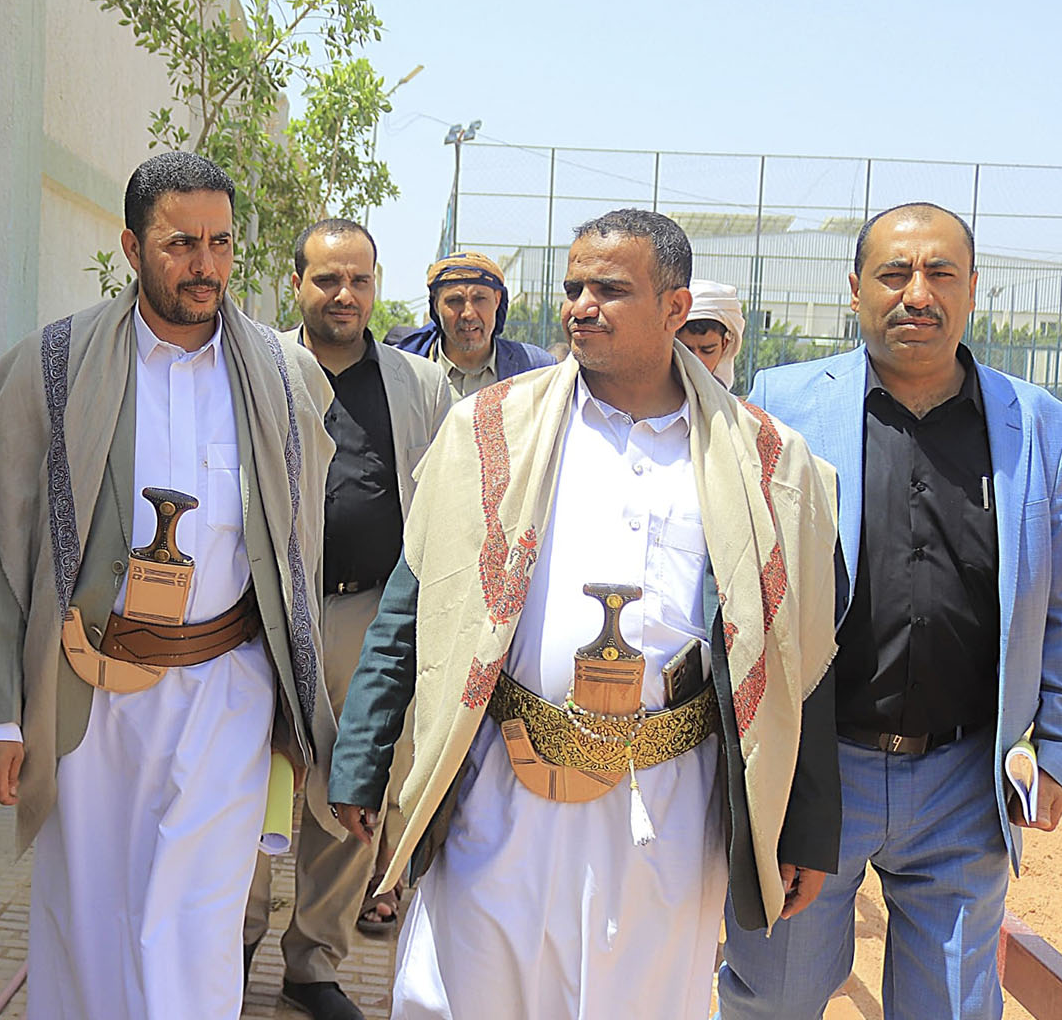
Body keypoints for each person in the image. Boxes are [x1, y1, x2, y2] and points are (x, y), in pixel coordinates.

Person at [329, 208, 843, 1019]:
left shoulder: (769, 465)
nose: (580, 306)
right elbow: (418, 599)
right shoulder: (492, 431)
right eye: (573, 288)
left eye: (610, 290)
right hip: (501, 792)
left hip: (668, 813)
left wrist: (806, 825)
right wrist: (363, 758)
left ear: (675, 308)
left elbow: (798, 656)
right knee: (461, 995)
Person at [0, 150, 335, 1019]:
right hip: (90, 690)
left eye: (220, 242)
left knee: (192, 932)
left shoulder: (282, 376)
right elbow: (11, 545)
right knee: (88, 923)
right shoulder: (58, 364)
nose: (205, 265)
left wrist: (300, 706)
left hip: (225, 691)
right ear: (132, 248)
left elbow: (299, 553)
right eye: (180, 244)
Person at [718, 201, 1062, 1020]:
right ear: (855, 288)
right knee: (774, 998)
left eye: (940, 274)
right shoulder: (780, 406)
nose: (917, 294)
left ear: (973, 290)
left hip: (965, 779)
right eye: (894, 274)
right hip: (816, 771)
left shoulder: (1042, 428)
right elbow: (735, 584)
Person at [243, 218, 448, 1019]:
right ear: (297, 283)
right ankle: (231, 944)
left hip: (371, 617)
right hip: (266, 615)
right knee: (251, 785)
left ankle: (314, 963)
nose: (344, 294)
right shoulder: (257, 370)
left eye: (359, 279)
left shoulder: (419, 386)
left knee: (352, 789)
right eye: (327, 279)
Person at [392, 251, 555, 401]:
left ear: (497, 300)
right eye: (454, 301)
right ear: (436, 305)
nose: (468, 314)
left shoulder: (536, 370)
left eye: (479, 299)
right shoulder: (402, 371)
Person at [678, 278, 745, 389]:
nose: (696, 361)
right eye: (686, 351)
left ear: (724, 344)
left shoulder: (727, 401)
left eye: (707, 351)